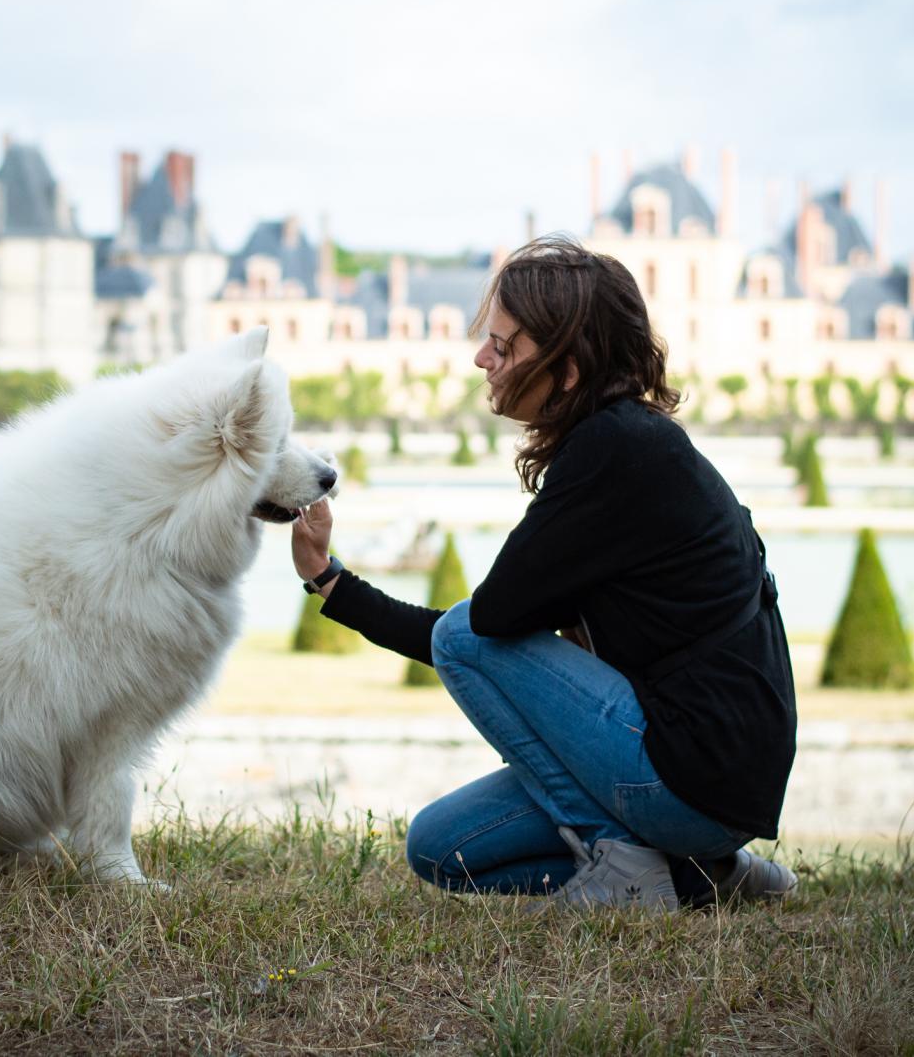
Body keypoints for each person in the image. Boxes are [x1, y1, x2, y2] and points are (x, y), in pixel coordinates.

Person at [291, 236, 797, 911]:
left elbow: (477, 632)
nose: (482, 359)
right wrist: (329, 580)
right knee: (441, 847)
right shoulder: (624, 441)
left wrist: (339, 585)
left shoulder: (614, 450)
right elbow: (491, 636)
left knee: (466, 637)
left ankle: (624, 872)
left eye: (503, 346)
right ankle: (705, 875)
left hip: (693, 778)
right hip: (708, 782)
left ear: (568, 366)